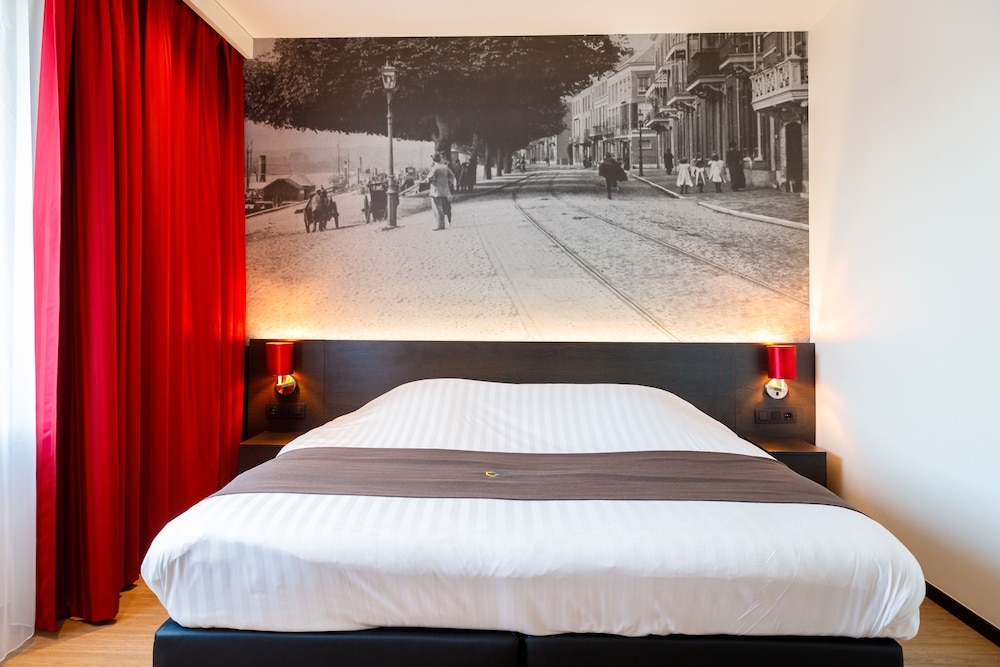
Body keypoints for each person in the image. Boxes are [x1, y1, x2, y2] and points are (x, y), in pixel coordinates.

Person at [422, 152, 457, 230]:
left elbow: (429, 178)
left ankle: (439, 225)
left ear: (433, 160)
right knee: (443, 207)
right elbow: (452, 176)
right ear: (440, 159)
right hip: (445, 190)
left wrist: (429, 180)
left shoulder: (435, 168)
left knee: (437, 208)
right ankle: (443, 224)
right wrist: (449, 183)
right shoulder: (445, 167)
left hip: (436, 191)